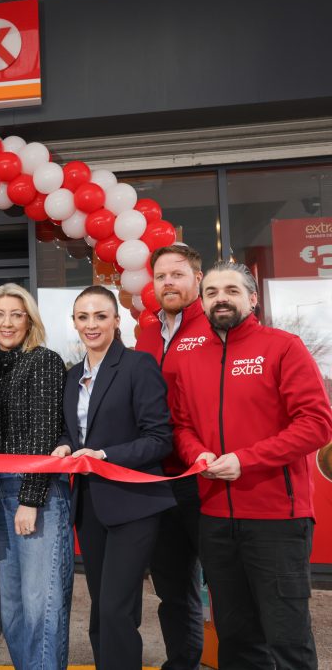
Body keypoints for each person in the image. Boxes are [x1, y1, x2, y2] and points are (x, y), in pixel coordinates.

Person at [170, 261, 332, 669]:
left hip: (277, 519)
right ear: (202, 302)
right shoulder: (191, 359)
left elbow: (316, 423)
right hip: (215, 518)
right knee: (236, 638)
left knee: (287, 637)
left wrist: (246, 460)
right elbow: (182, 425)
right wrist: (196, 454)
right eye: (211, 292)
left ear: (253, 299)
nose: (220, 298)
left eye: (232, 290)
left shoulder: (283, 346)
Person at [51, 285, 174, 670]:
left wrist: (104, 456)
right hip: (90, 506)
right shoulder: (73, 375)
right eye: (83, 317)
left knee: (115, 608)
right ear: (74, 322)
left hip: (133, 503)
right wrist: (65, 445)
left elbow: (159, 439)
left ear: (116, 321)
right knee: (101, 608)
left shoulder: (138, 366)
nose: (92, 324)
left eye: (100, 316)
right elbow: (75, 431)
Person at [0, 283, 72, 670]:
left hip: (35, 491)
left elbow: (45, 433)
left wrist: (30, 499)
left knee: (41, 603)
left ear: (29, 320)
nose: (7, 323)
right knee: (12, 605)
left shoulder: (44, 360)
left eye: (16, 314)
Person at [134, 243, 209, 670]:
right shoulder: (147, 334)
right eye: (161, 276)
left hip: (207, 477)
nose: (168, 283)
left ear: (197, 279)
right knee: (173, 589)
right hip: (158, 480)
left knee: (227, 585)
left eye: (177, 274)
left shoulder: (215, 324)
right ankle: (183, 663)